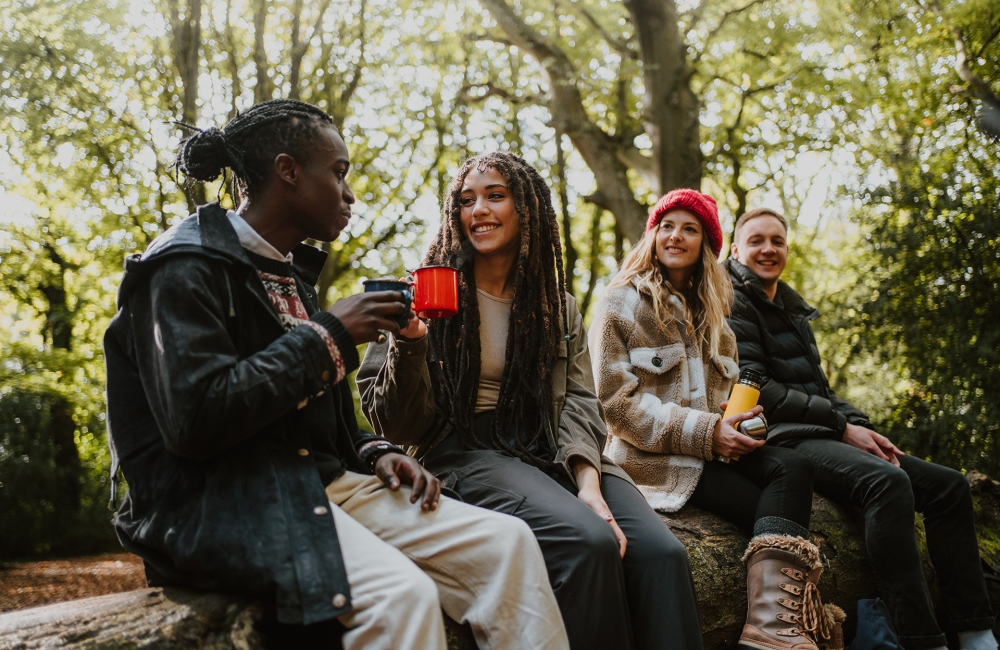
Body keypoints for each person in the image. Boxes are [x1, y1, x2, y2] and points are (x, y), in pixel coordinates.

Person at [103, 99, 568, 650]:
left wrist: (373, 452)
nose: (350, 194)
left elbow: (324, 420)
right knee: (401, 597)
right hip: (223, 501)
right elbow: (196, 420)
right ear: (288, 171)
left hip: (317, 481)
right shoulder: (184, 267)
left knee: (509, 544)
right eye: (339, 172)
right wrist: (329, 335)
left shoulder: (290, 271)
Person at [357, 152, 702, 650]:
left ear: (529, 209)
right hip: (467, 450)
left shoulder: (556, 306)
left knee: (662, 555)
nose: (478, 209)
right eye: (466, 200)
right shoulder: (418, 294)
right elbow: (398, 425)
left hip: (551, 447)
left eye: (495, 196)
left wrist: (589, 483)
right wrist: (409, 342)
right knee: (589, 544)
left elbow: (582, 401)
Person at [725, 206, 997, 650]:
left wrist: (857, 424)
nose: (768, 249)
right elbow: (759, 388)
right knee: (886, 483)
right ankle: (922, 639)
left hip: (824, 431)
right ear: (736, 250)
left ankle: (976, 631)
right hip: (783, 437)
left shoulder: (791, 309)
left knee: (949, 487)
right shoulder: (731, 299)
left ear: (787, 249)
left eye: (776, 240)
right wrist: (840, 425)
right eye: (756, 240)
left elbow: (822, 390)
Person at [590, 189, 843, 650]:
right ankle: (784, 622)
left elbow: (724, 399)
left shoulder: (715, 317)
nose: (676, 236)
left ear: (705, 244)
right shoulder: (619, 303)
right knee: (774, 510)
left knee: (794, 468)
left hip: (710, 453)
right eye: (667, 225)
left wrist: (744, 422)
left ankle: (769, 628)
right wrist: (710, 432)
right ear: (652, 235)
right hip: (653, 460)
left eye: (690, 229)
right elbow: (615, 406)